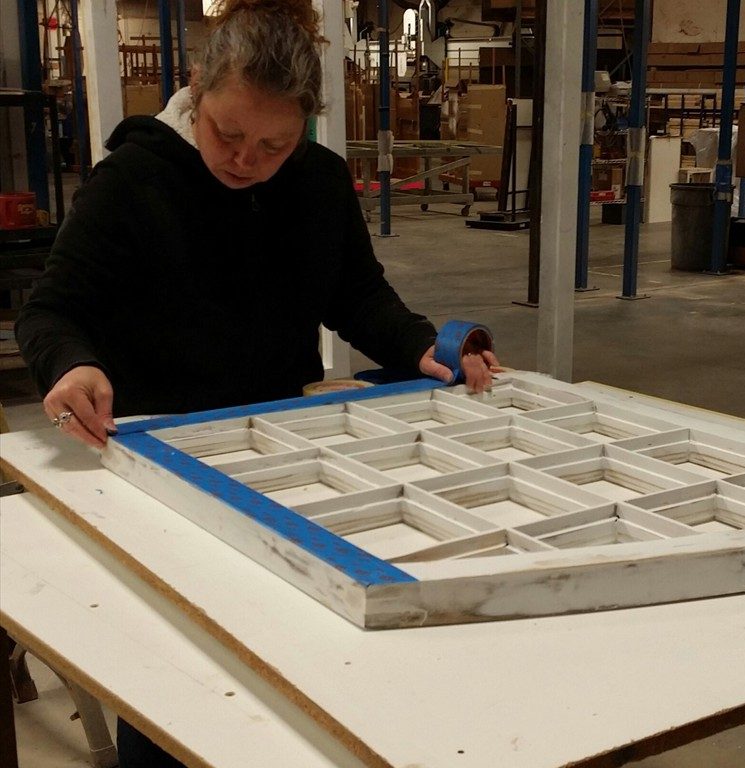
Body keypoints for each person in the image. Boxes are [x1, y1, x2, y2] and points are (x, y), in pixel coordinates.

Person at [15, 0, 497, 763]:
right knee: (181, 676)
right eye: (227, 134)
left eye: (275, 144)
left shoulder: (318, 183)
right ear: (196, 88)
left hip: (287, 451)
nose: (246, 160)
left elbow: (358, 296)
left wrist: (424, 348)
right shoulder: (132, 182)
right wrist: (72, 364)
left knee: (299, 668)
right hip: (160, 457)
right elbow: (50, 312)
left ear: (306, 122)